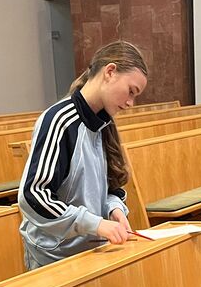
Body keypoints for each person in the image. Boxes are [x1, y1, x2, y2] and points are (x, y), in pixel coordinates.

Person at [18, 41, 148, 270]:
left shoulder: (104, 123)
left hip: (91, 250)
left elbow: (111, 186)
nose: (130, 103)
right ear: (110, 71)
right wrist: (95, 224)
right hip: (53, 257)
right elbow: (33, 196)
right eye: (131, 91)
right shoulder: (59, 121)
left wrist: (114, 209)